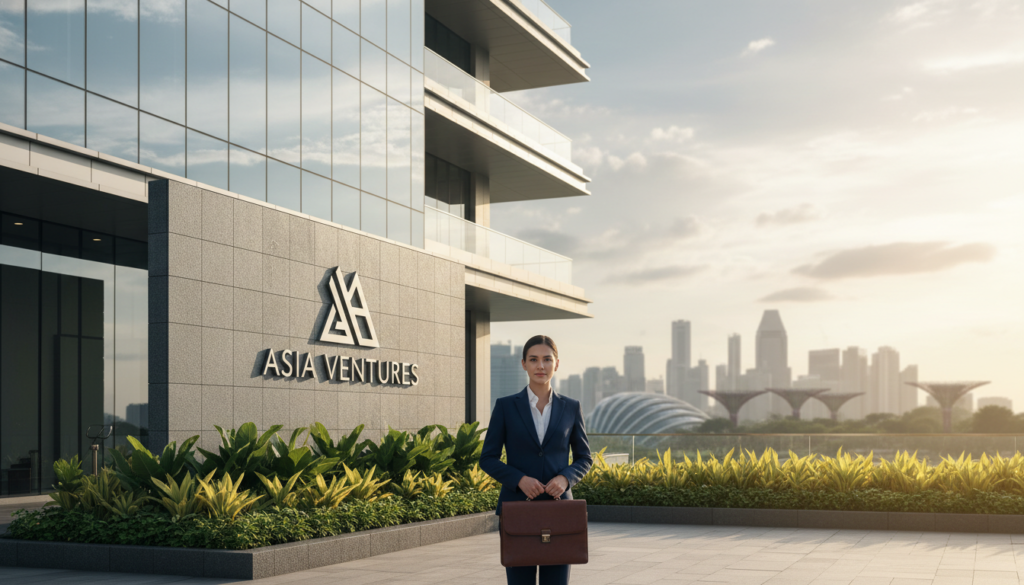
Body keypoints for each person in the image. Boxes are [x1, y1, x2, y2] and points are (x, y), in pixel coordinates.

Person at [480, 335, 593, 585]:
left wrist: (565, 479)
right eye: (533, 359)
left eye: (547, 359)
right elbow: (487, 458)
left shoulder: (571, 407)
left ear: (557, 364)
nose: (540, 366)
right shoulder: (505, 406)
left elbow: (584, 457)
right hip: (517, 510)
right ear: (523, 364)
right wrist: (519, 479)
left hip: (559, 510)